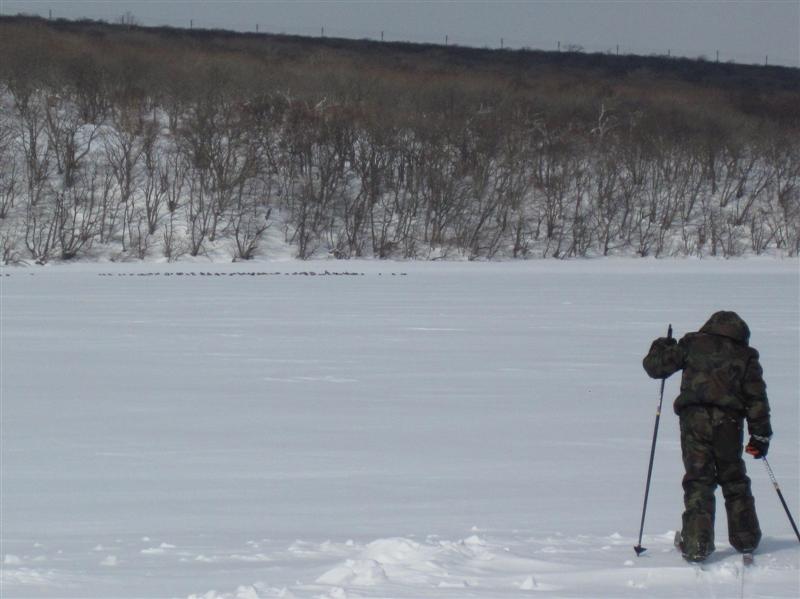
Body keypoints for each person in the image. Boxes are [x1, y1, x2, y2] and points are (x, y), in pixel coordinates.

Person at [642, 311, 772, 562]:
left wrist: (662, 345)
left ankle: (696, 544)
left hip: (694, 420)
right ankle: (746, 538)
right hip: (729, 423)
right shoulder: (745, 355)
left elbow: (655, 367)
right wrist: (760, 436)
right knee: (733, 478)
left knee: (699, 480)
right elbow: (757, 398)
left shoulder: (692, 344)